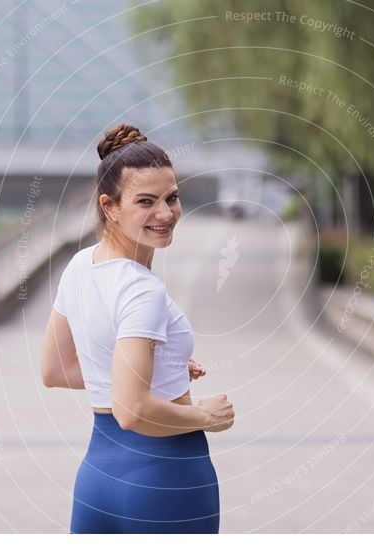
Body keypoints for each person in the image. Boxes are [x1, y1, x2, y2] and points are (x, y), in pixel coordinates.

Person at [40, 124, 235, 534]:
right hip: (164, 480)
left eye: (172, 198)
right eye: (146, 201)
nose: (165, 213)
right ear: (110, 206)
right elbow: (132, 411)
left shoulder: (80, 266)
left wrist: (160, 367)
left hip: (98, 480)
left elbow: (55, 371)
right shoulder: (142, 289)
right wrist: (205, 416)